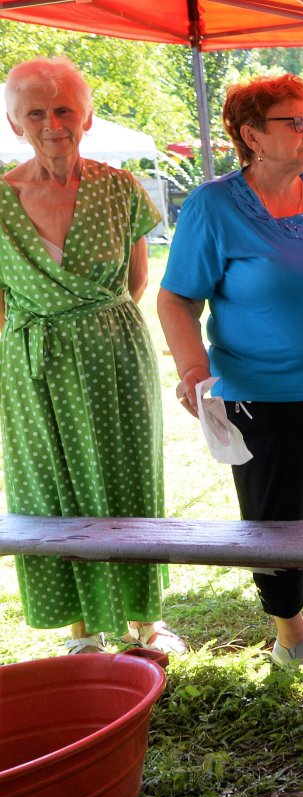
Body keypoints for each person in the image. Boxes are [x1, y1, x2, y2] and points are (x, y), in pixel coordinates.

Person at [156, 73, 303, 677]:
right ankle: (291, 636)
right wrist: (193, 367)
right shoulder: (213, 206)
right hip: (264, 393)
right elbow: (176, 298)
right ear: (251, 135)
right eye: (295, 121)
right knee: (277, 521)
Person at [1, 58, 183, 657]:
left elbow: (135, 282)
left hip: (115, 355)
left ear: (87, 118)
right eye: (35, 112)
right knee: (50, 486)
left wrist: (89, 330)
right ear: (15, 122)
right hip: (33, 364)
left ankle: (145, 620)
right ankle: (81, 630)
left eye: (64, 110)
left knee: (130, 476)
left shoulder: (121, 188)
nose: (52, 124)